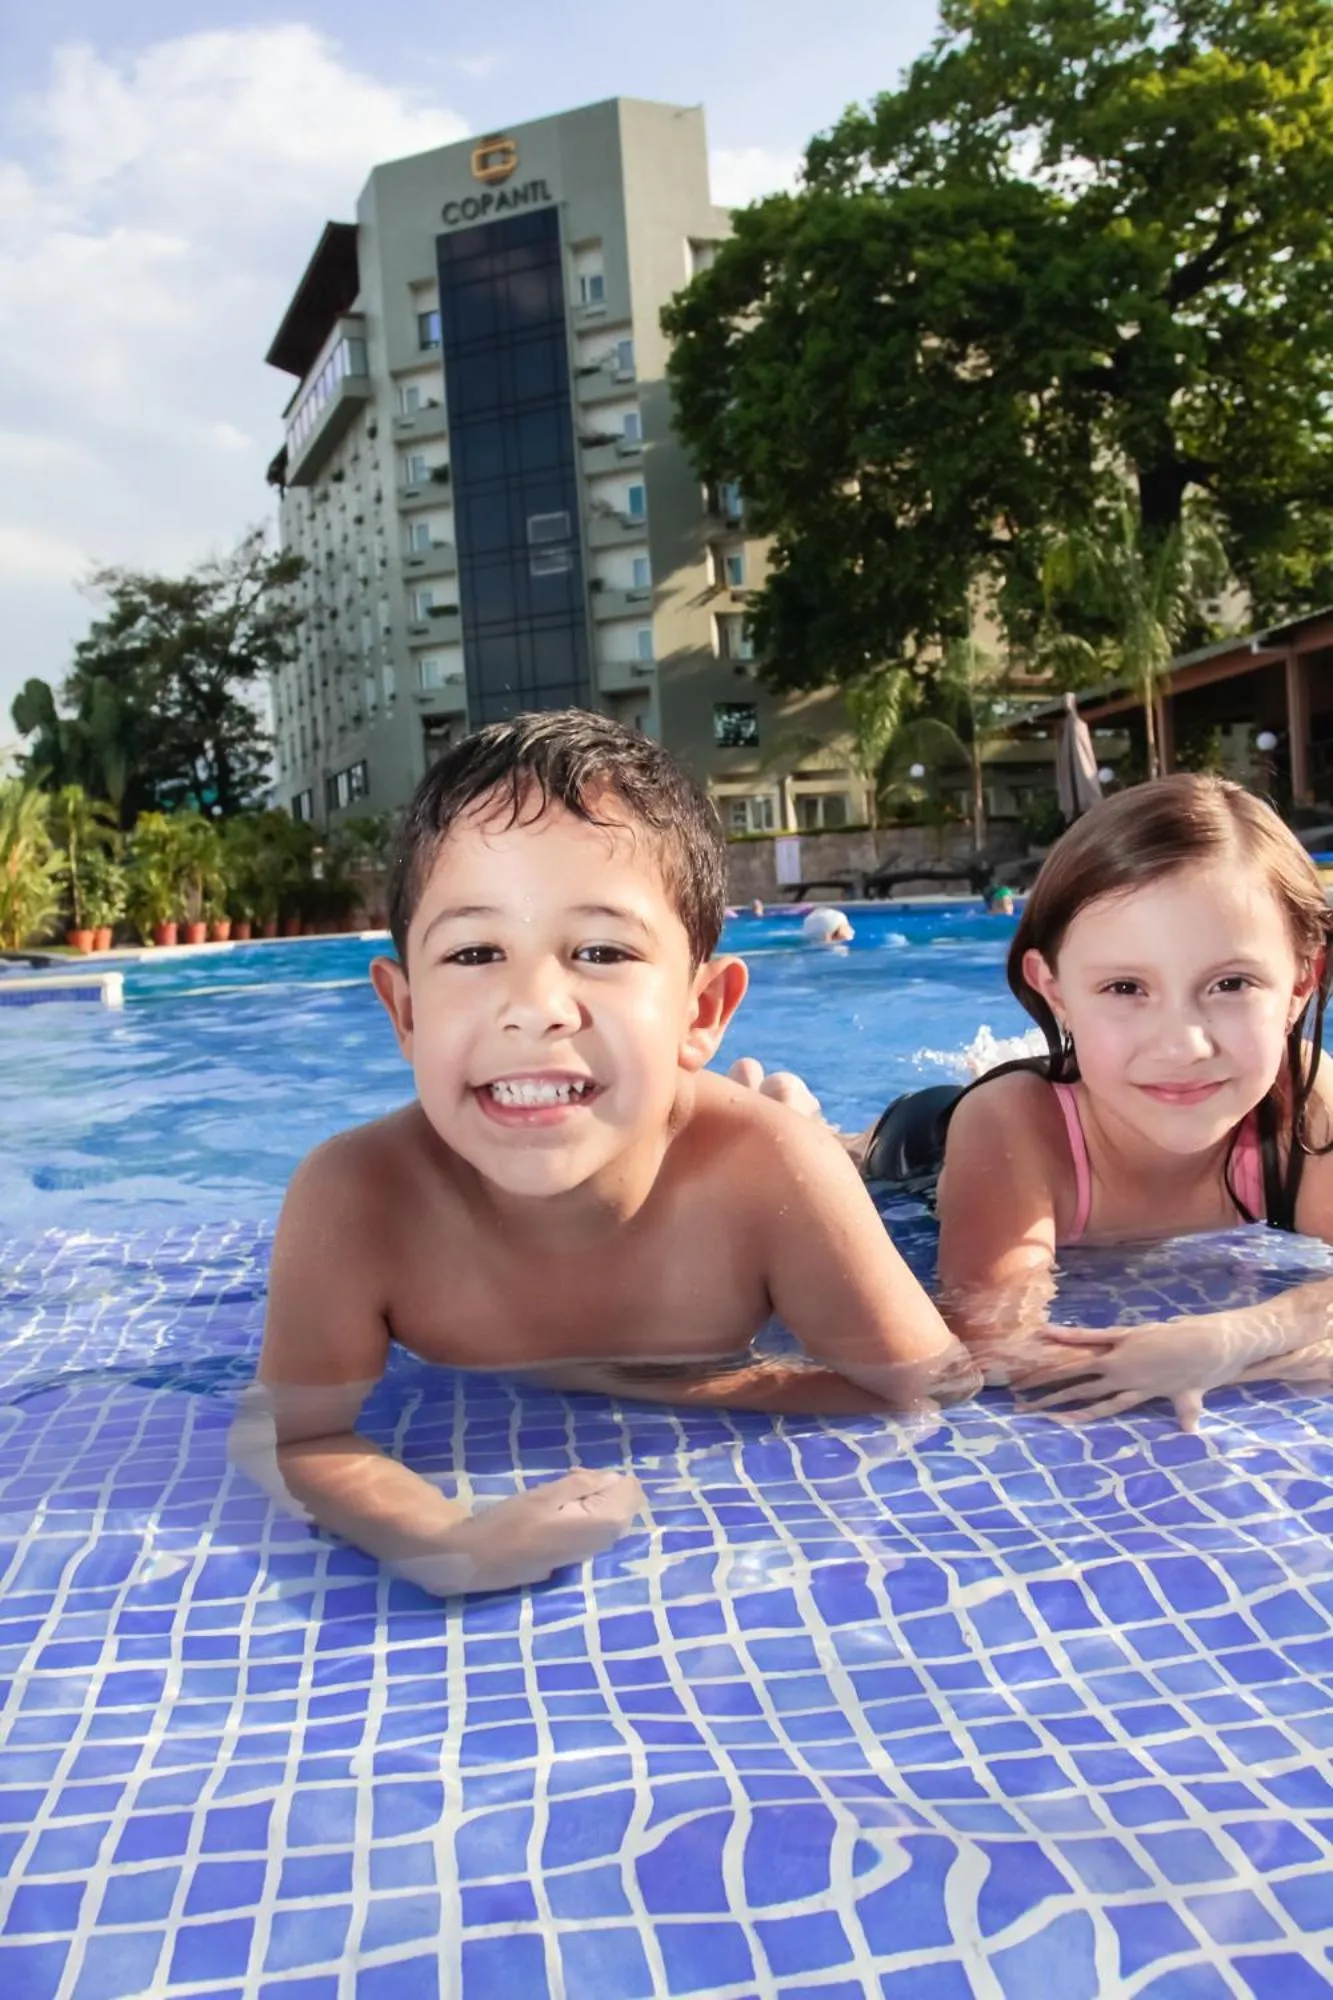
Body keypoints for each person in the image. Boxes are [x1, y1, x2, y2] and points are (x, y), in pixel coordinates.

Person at [231, 711, 968, 1596]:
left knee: (844, 1155)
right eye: (474, 951)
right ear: (407, 1014)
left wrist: (662, 1385)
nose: (535, 1006)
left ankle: (806, 1117)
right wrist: (441, 1538)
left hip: (855, 1166)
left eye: (599, 950)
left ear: (699, 1011)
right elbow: (295, 1434)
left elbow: (930, 1383)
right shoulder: (356, 1199)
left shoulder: (766, 1172)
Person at [735, 775, 1333, 1428]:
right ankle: (795, 1125)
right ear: (1052, 990)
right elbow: (983, 1351)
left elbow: (1205, 1350)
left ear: (1302, 980)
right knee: (819, 1171)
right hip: (922, 1156)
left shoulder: (1302, 1105)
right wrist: (1251, 1351)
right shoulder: (1012, 1125)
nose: (1184, 1045)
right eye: (1126, 987)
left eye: (1230, 983)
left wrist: (1232, 1341)